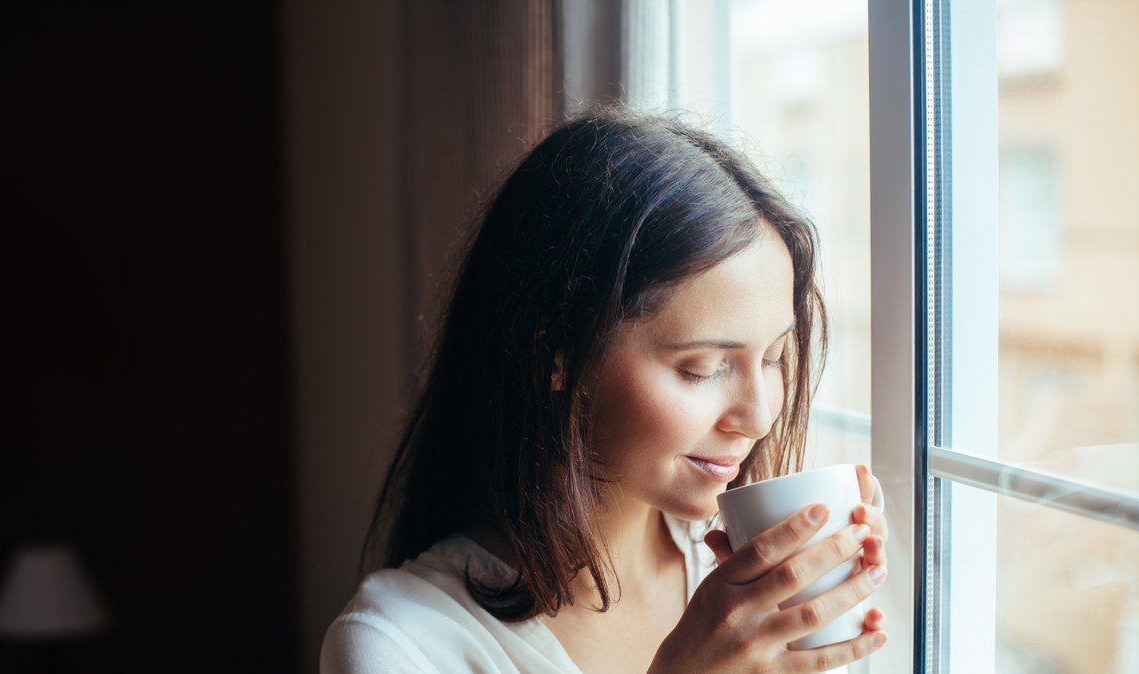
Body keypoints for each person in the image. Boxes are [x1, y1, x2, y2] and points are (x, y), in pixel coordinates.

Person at [320, 110, 890, 673]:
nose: (760, 417)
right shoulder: (398, 644)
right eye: (703, 368)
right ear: (555, 356)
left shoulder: (749, 594)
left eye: (773, 358)